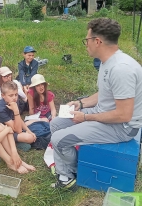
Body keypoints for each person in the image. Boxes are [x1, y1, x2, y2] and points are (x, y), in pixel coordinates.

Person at [50, 18, 142, 190]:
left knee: (58, 139)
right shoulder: (108, 62)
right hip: (105, 114)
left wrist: (85, 117)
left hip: (122, 127)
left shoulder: (122, 69)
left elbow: (124, 115)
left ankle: (69, 177)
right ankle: (71, 168)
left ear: (97, 41)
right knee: (56, 124)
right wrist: (81, 104)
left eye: (87, 40)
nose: (86, 44)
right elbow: (105, 94)